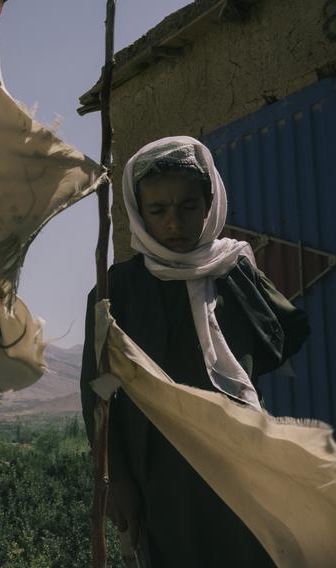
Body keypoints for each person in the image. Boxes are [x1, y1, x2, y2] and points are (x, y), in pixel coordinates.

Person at [80, 136, 310, 567]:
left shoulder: (233, 270)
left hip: (240, 457)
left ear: (210, 205)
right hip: (162, 468)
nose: (174, 223)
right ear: (139, 211)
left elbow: (284, 332)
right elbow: (99, 391)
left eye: (188, 206)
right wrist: (117, 479)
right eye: (158, 210)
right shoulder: (119, 291)